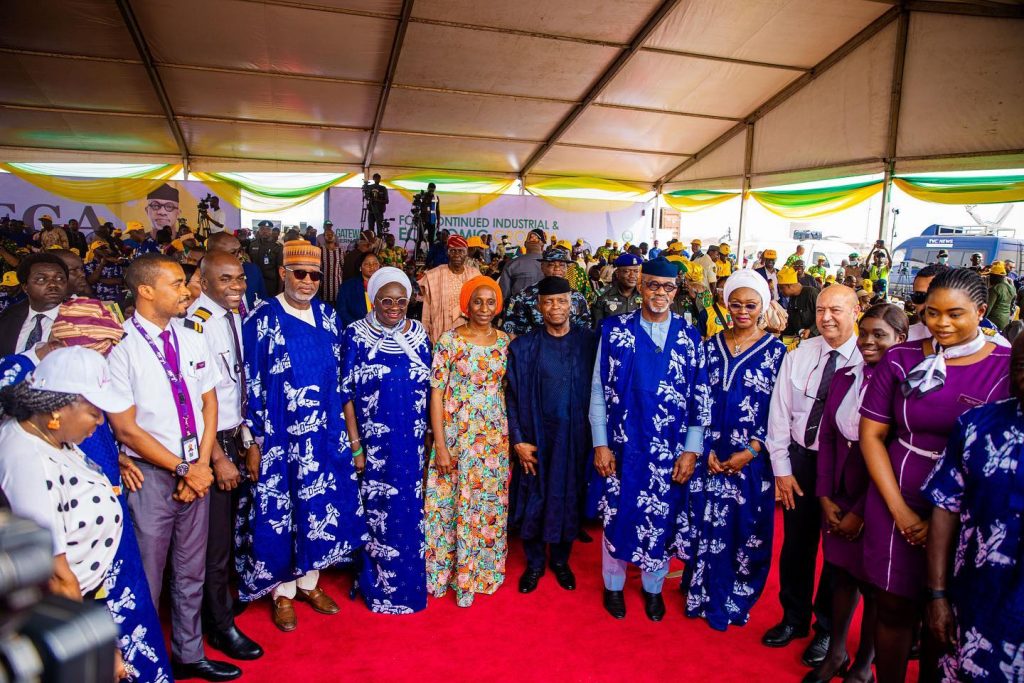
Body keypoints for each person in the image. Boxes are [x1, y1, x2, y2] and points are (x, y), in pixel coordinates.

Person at [859, 268, 1010, 683]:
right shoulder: (901, 357)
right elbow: (871, 434)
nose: (941, 323)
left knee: (946, 615)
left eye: (955, 314)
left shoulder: (1005, 365)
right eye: (932, 313)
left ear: (981, 311)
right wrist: (901, 512)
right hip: (898, 491)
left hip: (970, 508)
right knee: (892, 605)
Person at [105, 254, 241, 681]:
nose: (188, 291)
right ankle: (141, 666)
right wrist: (186, 468)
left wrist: (200, 465)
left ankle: (188, 653)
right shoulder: (120, 345)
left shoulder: (191, 336)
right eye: (178, 283)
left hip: (193, 470)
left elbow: (209, 403)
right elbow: (126, 428)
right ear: (146, 290)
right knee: (147, 575)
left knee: (191, 571)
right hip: (149, 476)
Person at [238, 241, 365, 630]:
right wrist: (252, 442)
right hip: (281, 439)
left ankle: (310, 583)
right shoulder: (262, 319)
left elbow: (340, 381)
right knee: (283, 512)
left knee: (320, 508)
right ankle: (283, 592)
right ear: (283, 273)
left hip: (325, 435)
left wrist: (351, 437)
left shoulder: (329, 317)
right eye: (300, 274)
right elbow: (251, 384)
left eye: (314, 275)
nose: (308, 282)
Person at [0, 347, 140, 679]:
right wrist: (92, 643)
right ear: (60, 408)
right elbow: (55, 575)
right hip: (60, 613)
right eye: (94, 412)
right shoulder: (29, 462)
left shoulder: (48, 434)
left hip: (82, 597)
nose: (100, 422)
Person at [590, 257, 711, 622]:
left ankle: (653, 587)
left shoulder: (690, 338)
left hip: (669, 452)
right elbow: (598, 389)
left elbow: (699, 397)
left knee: (662, 517)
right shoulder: (614, 330)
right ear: (641, 285)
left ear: (677, 291)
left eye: (668, 287)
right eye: (653, 285)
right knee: (618, 513)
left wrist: (691, 450)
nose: (660, 293)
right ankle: (613, 585)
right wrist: (600, 443)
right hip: (623, 447)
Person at [807, 303, 909, 683]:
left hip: (878, 494)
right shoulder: (845, 376)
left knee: (874, 584)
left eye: (879, 335)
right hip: (839, 487)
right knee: (841, 576)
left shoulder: (907, 387)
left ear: (901, 339)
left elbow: (894, 452)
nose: (867, 341)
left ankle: (864, 666)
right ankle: (836, 654)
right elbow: (829, 437)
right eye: (864, 332)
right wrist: (824, 495)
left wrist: (863, 511)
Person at [763, 285, 863, 667]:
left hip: (843, 466)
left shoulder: (867, 358)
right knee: (796, 546)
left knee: (837, 553)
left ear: (855, 310)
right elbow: (779, 415)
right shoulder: (801, 353)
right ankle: (794, 618)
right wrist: (782, 471)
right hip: (802, 461)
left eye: (836, 310)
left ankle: (827, 629)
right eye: (821, 309)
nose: (826, 317)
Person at [681, 270, 785, 631]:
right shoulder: (709, 346)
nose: (742, 311)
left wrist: (753, 450)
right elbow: (696, 398)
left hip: (750, 459)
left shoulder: (777, 353)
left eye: (751, 305)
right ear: (725, 304)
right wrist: (704, 447)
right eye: (736, 304)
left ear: (763, 306)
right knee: (702, 523)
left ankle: (735, 593)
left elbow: (779, 408)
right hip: (709, 456)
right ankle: (701, 588)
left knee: (744, 528)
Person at [922, 334, 1024, 683]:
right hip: (975, 601)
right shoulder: (977, 426)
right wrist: (937, 595)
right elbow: (944, 508)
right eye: (1022, 365)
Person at [178, 252, 264, 662]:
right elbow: (196, 401)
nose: (236, 286)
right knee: (211, 546)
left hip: (234, 434)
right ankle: (218, 626)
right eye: (226, 279)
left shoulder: (235, 316)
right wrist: (216, 458)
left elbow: (235, 389)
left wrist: (246, 441)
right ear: (205, 281)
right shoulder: (196, 324)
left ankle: (221, 604)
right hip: (209, 445)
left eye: (240, 278)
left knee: (228, 536)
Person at [341, 267, 431, 614]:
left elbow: (429, 388)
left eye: (401, 301)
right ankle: (377, 585)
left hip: (411, 442)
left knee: (409, 511)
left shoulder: (420, 334)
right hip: (375, 446)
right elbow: (345, 393)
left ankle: (409, 584)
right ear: (373, 300)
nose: (394, 307)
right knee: (377, 512)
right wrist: (355, 444)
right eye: (386, 300)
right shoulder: (356, 335)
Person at [507, 276, 597, 594]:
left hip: (574, 440)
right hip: (536, 439)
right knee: (535, 496)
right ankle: (534, 564)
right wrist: (517, 439)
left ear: (571, 303)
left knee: (567, 497)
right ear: (539, 306)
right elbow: (512, 397)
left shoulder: (590, 343)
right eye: (549, 301)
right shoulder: (523, 347)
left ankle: (560, 561)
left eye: (561, 301)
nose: (555, 307)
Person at [424, 277, 510, 608]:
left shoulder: (505, 343)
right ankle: (448, 574)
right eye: (477, 301)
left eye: (491, 302)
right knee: (449, 507)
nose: (484, 308)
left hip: (492, 442)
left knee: (487, 506)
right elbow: (436, 393)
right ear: (466, 304)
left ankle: (481, 574)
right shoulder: (449, 341)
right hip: (456, 436)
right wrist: (441, 445)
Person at [502, 246, 590, 336]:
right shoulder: (523, 297)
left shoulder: (578, 297)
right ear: (542, 267)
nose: (557, 268)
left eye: (562, 265)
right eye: (551, 264)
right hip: (535, 348)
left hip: (570, 347)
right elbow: (511, 329)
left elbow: (586, 328)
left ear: (567, 268)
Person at [0, 253, 69, 356]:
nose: (53, 284)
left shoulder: (81, 320)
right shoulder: (8, 318)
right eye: (41, 279)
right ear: (25, 287)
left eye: (59, 279)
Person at [419, 234, 481, 344]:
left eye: (461, 251)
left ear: (466, 253)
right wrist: (425, 332)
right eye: (453, 251)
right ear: (447, 252)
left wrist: (462, 311)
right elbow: (427, 307)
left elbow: (480, 303)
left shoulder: (475, 275)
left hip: (469, 332)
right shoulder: (434, 275)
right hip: (441, 332)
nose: (457, 255)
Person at [206, 231, 266, 311]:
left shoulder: (252, 270)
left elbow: (264, 300)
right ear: (214, 254)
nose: (240, 256)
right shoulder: (207, 279)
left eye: (240, 251)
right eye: (233, 252)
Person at [591, 253, 642, 327]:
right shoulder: (602, 296)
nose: (632, 276)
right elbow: (597, 329)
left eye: (636, 271)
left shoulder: (643, 295)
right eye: (627, 271)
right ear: (617, 273)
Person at [336, 252, 381, 328]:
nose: (372, 267)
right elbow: (342, 312)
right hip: (357, 329)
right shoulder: (347, 286)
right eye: (367, 264)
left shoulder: (385, 285)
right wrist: (359, 327)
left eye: (375, 264)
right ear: (360, 267)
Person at [498, 228, 546, 299]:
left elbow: (504, 295)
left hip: (517, 309)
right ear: (542, 246)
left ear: (525, 244)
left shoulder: (512, 264)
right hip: (544, 308)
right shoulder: (552, 265)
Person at [779, 265, 819, 340]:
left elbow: (823, 316)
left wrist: (811, 330)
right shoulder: (792, 298)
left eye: (782, 288)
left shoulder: (811, 293)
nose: (780, 291)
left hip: (816, 340)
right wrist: (780, 339)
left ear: (789, 285)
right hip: (800, 341)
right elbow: (791, 325)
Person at [248, 220, 282, 295]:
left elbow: (281, 269)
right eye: (262, 229)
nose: (265, 231)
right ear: (259, 230)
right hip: (255, 281)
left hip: (270, 283)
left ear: (271, 231)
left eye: (268, 229)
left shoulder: (277, 247)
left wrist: (280, 291)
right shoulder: (253, 244)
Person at [985, 261, 1015, 331]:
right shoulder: (1011, 287)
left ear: (995, 276)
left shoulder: (994, 289)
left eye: (991, 276)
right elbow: (1012, 305)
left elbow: (986, 310)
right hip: (1005, 321)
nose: (989, 278)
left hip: (993, 322)